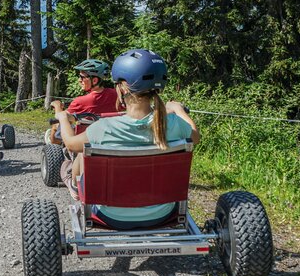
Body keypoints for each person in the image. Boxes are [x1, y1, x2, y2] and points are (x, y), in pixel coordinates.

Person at [54, 49, 200, 228]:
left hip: (110, 215)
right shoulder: (174, 124)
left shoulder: (103, 128)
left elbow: (69, 143)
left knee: (84, 156)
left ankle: (75, 187)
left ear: (122, 87)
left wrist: (62, 117)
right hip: (163, 213)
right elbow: (195, 136)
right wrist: (177, 109)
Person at [47, 59, 118, 143]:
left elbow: (61, 117)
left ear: (94, 80)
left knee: (56, 125)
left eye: (82, 77)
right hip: (111, 134)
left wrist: (57, 105)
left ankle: (54, 144)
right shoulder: (116, 94)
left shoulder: (80, 101)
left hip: (86, 138)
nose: (79, 80)